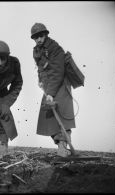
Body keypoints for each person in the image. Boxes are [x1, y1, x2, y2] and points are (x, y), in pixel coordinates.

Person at [30, 23, 76, 157]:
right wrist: (40, 80)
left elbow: (57, 72)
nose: (38, 39)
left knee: (61, 117)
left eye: (40, 36)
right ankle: (62, 147)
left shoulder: (55, 48)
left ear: (46, 34)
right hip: (49, 86)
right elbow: (41, 68)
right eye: (35, 37)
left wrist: (50, 93)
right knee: (48, 118)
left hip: (61, 85)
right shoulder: (37, 50)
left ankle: (63, 148)